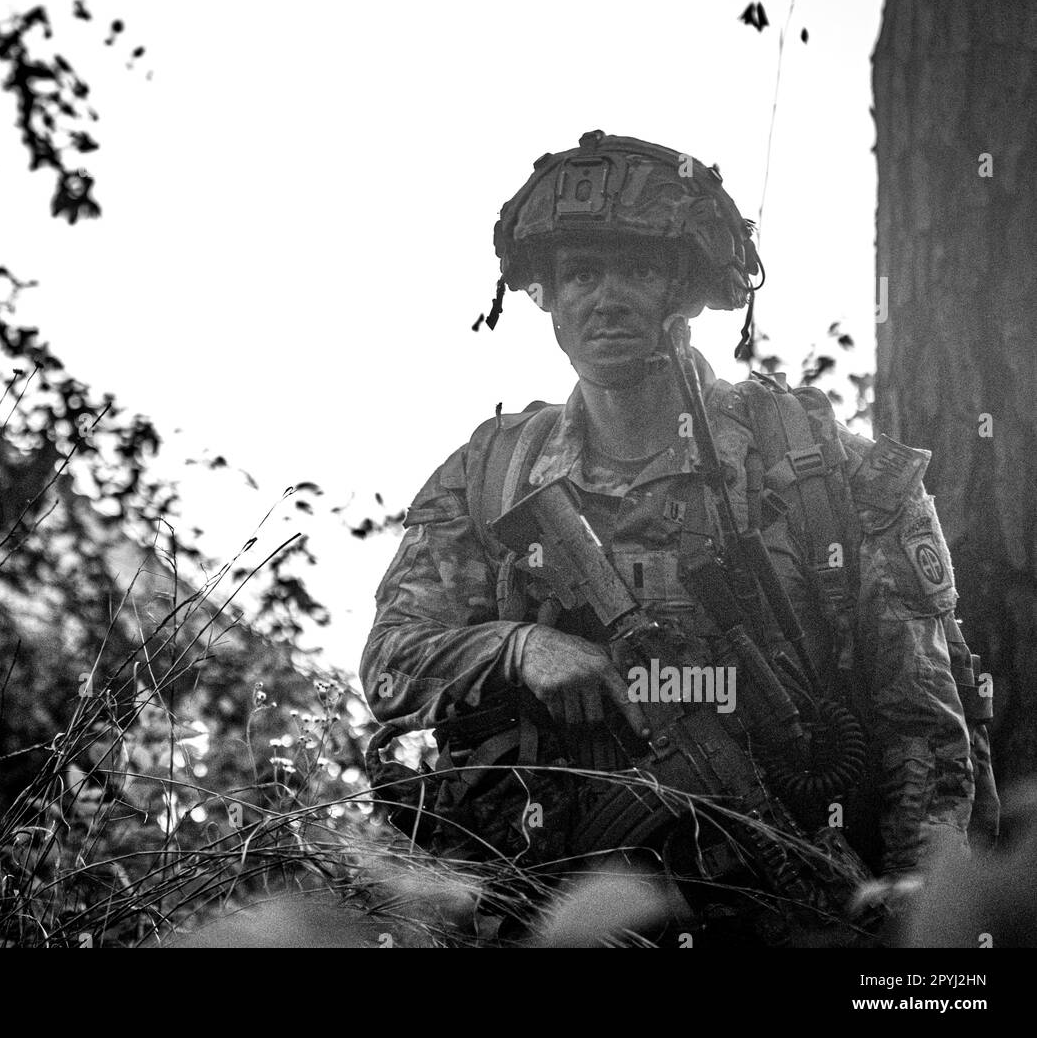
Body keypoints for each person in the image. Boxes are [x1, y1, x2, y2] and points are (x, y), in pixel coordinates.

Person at [359, 130, 999, 945]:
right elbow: (391, 666)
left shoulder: (817, 470)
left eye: (638, 269)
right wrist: (518, 647)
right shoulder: (492, 475)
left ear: (691, 289)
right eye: (581, 275)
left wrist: (921, 932)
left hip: (785, 903)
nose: (607, 298)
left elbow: (925, 729)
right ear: (548, 299)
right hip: (554, 912)